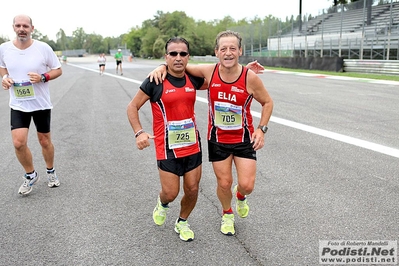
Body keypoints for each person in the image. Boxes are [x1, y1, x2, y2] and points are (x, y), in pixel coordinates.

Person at [149, 30, 273, 236]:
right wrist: (162, 66)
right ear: (216, 52)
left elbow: (268, 102)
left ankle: (241, 197)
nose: (228, 52)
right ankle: (227, 215)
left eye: (233, 48)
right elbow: (180, 65)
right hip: (218, 140)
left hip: (243, 139)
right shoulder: (209, 71)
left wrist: (262, 129)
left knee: (247, 185)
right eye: (223, 49)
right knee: (224, 183)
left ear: (240, 51)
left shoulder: (250, 78)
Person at [127, 37, 207, 242]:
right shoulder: (155, 81)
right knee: (171, 193)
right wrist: (139, 132)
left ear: (188, 57)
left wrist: (244, 71)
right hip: (167, 147)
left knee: (192, 188)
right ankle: (162, 204)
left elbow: (220, 76)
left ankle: (182, 222)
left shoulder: (193, 78)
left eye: (183, 54)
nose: (178, 58)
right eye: (173, 54)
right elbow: (132, 107)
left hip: (192, 144)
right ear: (166, 56)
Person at [0, 14, 63, 195]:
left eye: (25, 26)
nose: (22, 29)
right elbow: (2, 66)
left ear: (32, 28)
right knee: (18, 143)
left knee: (44, 141)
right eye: (18, 25)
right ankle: (30, 174)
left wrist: (43, 77)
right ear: (13, 27)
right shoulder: (4, 48)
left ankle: (50, 171)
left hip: (40, 103)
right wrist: (5, 78)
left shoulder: (42, 48)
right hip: (19, 104)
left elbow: (58, 69)